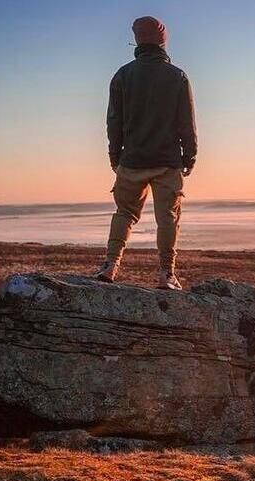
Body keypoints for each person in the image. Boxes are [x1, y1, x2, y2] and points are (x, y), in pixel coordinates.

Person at [95, 16, 197, 290]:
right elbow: (186, 123)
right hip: (167, 162)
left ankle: (110, 265)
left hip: (132, 160)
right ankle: (166, 274)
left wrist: (114, 157)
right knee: (168, 217)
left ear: (138, 41)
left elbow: (113, 121)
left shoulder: (122, 75)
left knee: (124, 213)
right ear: (163, 42)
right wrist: (190, 156)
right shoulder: (177, 76)